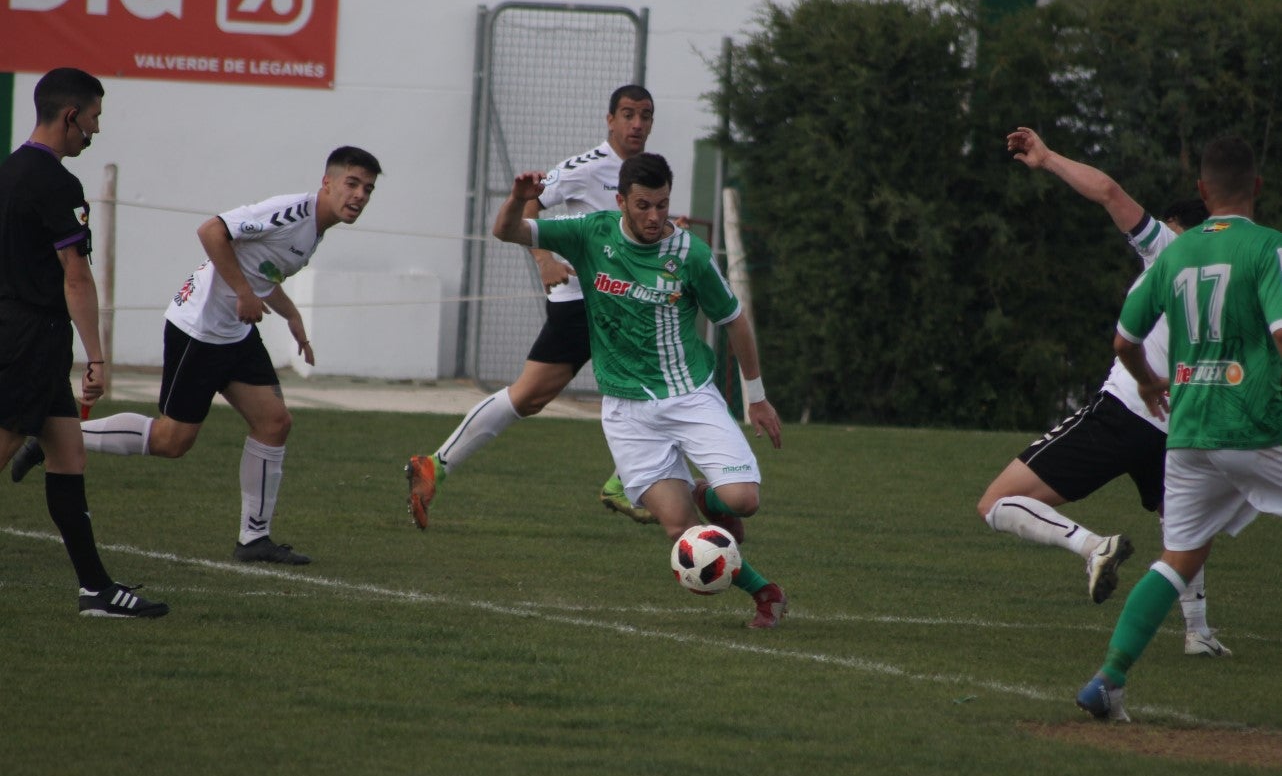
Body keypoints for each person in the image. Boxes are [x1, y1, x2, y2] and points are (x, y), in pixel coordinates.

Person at [11, 146, 382, 566]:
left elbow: (262, 269)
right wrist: (243, 294)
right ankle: (55, 436)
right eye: (352, 184)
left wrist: (291, 315)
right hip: (199, 328)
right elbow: (211, 231)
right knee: (173, 441)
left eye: (367, 189)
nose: (359, 195)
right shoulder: (292, 213)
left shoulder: (316, 228)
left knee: (274, 422)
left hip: (235, 333)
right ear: (327, 183)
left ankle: (253, 539)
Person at [491, 152, 788, 628]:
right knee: (678, 527)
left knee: (743, 501)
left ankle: (709, 496)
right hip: (627, 412)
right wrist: (517, 201)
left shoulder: (690, 254)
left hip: (688, 396)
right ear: (621, 201)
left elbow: (735, 321)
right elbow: (508, 232)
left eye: (663, 205)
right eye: (644, 205)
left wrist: (757, 397)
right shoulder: (592, 232)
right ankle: (766, 593)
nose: (655, 217)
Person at [978, 126, 1228, 657]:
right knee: (1179, 528)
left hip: (1127, 409)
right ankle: (1199, 633)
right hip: (1184, 425)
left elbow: (1110, 193)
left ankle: (1094, 547)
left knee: (996, 502)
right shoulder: (1240, 277)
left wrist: (1046, 159)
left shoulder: (1169, 250)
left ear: (1180, 227)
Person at [1076, 135, 1282, 721]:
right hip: (1254, 425)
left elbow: (1123, 342)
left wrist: (1146, 381)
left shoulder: (1175, 253)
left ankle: (1109, 679)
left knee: (1179, 559)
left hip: (1188, 432)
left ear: (1200, 191)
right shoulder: (1270, 249)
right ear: (1258, 187)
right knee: (1181, 555)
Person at [406, 85, 662, 529]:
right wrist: (543, 259)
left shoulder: (642, 174)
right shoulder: (588, 167)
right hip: (584, 301)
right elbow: (530, 202)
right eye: (627, 114)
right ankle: (628, 481)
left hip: (613, 303)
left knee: (530, 396)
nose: (637, 124)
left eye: (645, 115)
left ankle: (435, 466)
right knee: (667, 379)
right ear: (610, 120)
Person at [0, 67, 167, 617]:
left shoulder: (9, 171)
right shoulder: (57, 183)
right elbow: (77, 276)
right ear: (71, 115)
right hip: (32, 339)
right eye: (94, 118)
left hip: (22, 333)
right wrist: (96, 355)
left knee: (68, 457)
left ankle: (96, 590)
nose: (96, 131)